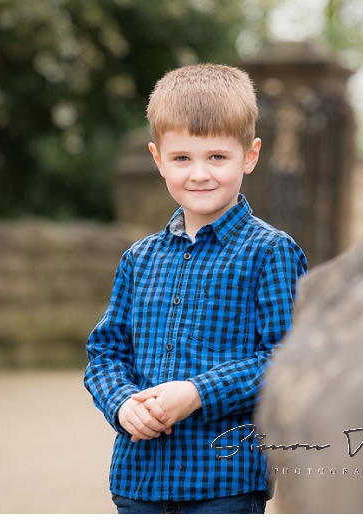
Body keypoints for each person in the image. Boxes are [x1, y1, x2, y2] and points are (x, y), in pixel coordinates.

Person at [84, 64, 307, 514]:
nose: (199, 174)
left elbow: (287, 359)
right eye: (182, 158)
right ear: (158, 158)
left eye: (217, 157)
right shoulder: (139, 259)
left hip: (222, 482)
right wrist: (121, 403)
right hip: (138, 478)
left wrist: (198, 392)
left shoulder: (270, 252)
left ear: (250, 154)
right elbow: (105, 352)